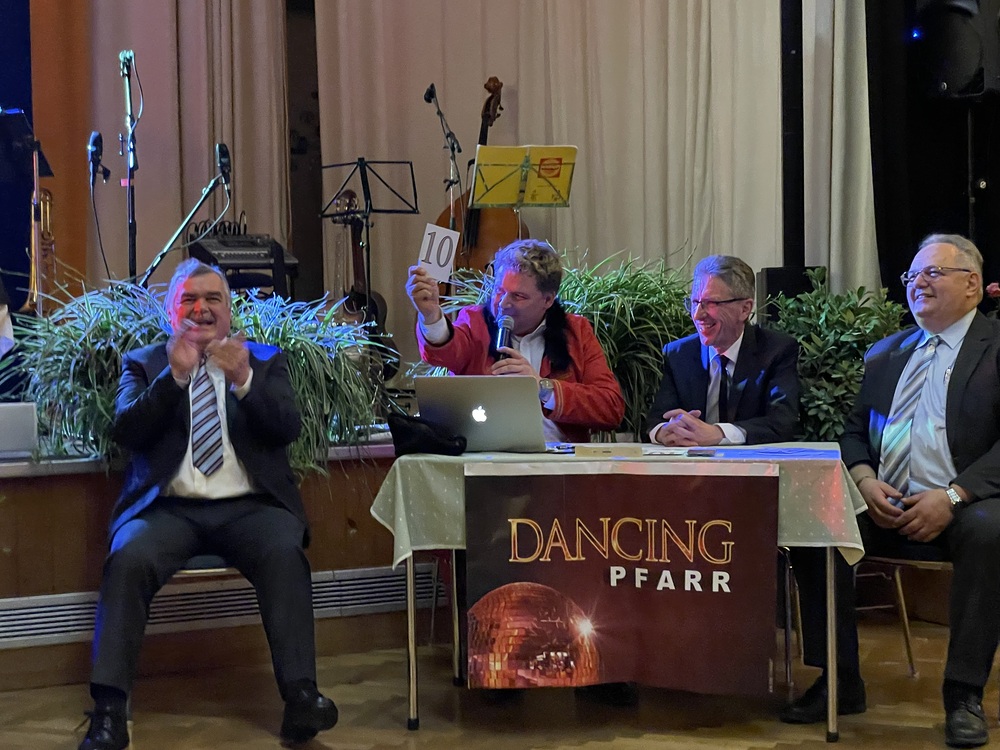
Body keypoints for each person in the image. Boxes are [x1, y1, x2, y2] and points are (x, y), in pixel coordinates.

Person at [78, 260, 337, 750]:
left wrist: (244, 379)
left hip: (250, 509)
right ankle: (108, 711)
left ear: (229, 310)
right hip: (167, 511)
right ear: (171, 312)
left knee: (284, 553)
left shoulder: (264, 360)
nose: (201, 309)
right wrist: (173, 378)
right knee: (128, 557)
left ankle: (302, 697)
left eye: (212, 299)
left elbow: (286, 428)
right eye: (189, 300)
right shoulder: (144, 363)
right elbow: (127, 431)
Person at [784, 234, 1000, 749]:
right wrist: (863, 480)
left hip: (968, 504)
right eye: (911, 275)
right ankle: (840, 679)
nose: (917, 283)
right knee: (816, 525)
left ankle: (963, 694)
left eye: (933, 273)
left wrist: (953, 496)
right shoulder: (886, 353)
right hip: (887, 501)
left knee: (992, 532)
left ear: (972, 285)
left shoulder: (995, 347)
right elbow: (853, 431)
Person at [406, 239, 625, 442]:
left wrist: (543, 388)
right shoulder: (474, 321)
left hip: (558, 461)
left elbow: (611, 408)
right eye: (499, 291)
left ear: (548, 300)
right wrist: (431, 316)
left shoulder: (576, 332)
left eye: (518, 296)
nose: (503, 304)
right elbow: (446, 353)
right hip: (485, 459)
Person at [645, 254, 800, 446]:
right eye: (694, 303)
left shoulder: (777, 350)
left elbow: (782, 422)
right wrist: (664, 432)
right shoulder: (679, 354)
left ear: (745, 309)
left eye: (711, 303)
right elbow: (657, 419)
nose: (697, 315)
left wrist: (718, 433)